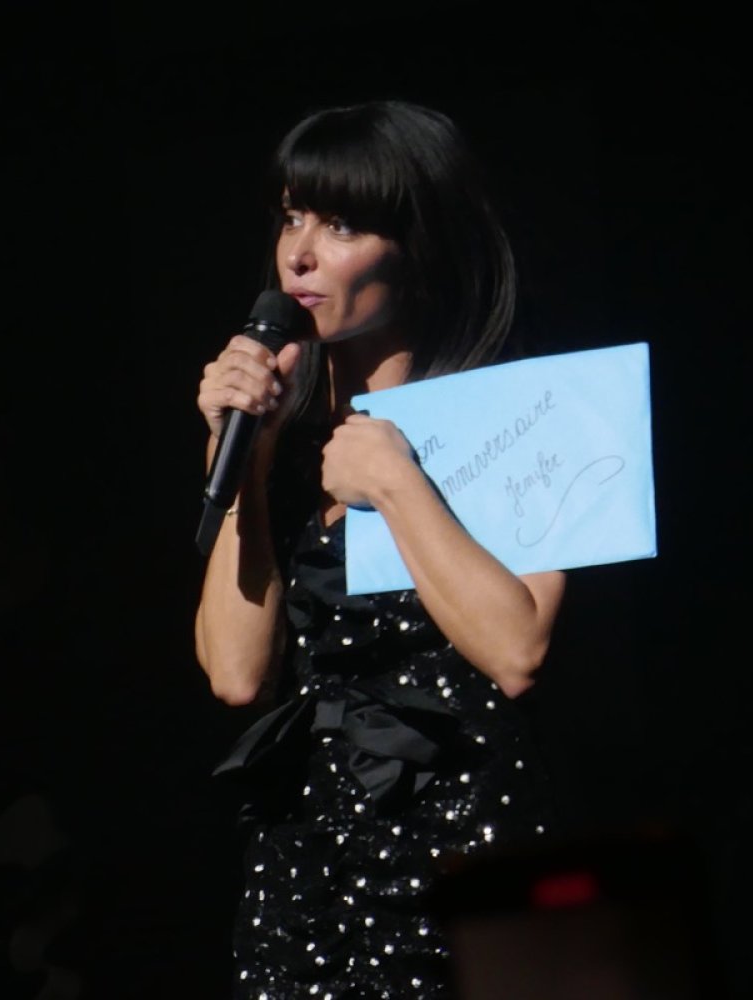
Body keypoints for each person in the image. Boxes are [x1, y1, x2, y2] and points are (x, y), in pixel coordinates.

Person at [193, 99, 567, 999]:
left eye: (342, 224)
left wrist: (398, 482)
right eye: (292, 218)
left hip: (461, 863)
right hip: (309, 867)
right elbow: (236, 675)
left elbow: (517, 651)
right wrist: (245, 461)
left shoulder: (521, 420)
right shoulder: (279, 443)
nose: (300, 254)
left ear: (420, 246)